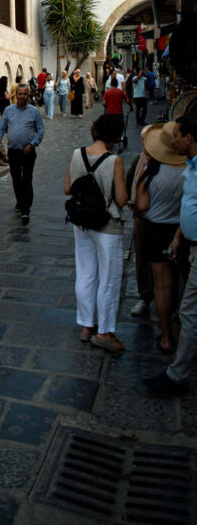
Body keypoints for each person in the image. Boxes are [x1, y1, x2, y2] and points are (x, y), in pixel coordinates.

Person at [64, 114, 128, 353]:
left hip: (82, 223)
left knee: (86, 272)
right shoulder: (114, 161)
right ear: (113, 136)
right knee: (109, 278)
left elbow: (67, 188)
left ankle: (86, 325)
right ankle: (104, 332)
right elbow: (120, 198)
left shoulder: (76, 154)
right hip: (107, 226)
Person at [144, 116, 197, 394]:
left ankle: (177, 374)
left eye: (178, 135)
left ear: (189, 138)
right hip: (184, 241)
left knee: (188, 310)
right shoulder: (190, 167)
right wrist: (178, 236)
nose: (175, 139)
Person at [132, 122, 186, 353]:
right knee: (182, 280)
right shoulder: (189, 170)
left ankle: (166, 336)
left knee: (162, 285)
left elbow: (141, 205)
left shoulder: (152, 170)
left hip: (156, 229)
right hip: (182, 231)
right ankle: (179, 320)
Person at [0, 83, 44, 225]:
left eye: (25, 94)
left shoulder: (34, 111)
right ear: (16, 95)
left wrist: (32, 143)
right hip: (14, 151)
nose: (22, 96)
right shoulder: (8, 110)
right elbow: (0, 129)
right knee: (16, 178)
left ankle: (25, 210)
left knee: (27, 178)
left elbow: (40, 130)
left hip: (28, 151)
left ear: (29, 95)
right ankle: (20, 201)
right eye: (20, 94)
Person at [102, 76, 131, 146]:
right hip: (119, 113)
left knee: (110, 127)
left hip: (110, 113)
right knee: (119, 127)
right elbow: (127, 100)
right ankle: (118, 141)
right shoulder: (120, 92)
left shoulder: (107, 92)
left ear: (111, 84)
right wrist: (131, 107)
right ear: (117, 84)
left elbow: (104, 103)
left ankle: (111, 140)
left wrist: (107, 106)